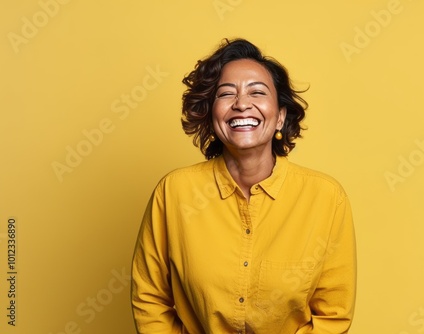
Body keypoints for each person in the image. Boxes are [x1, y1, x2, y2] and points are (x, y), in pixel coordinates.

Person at [131, 38, 356, 334]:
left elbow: (333, 314)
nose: (241, 104)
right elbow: (149, 298)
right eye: (227, 94)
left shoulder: (326, 198)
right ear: (212, 115)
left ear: (280, 117)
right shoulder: (174, 192)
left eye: (257, 92)